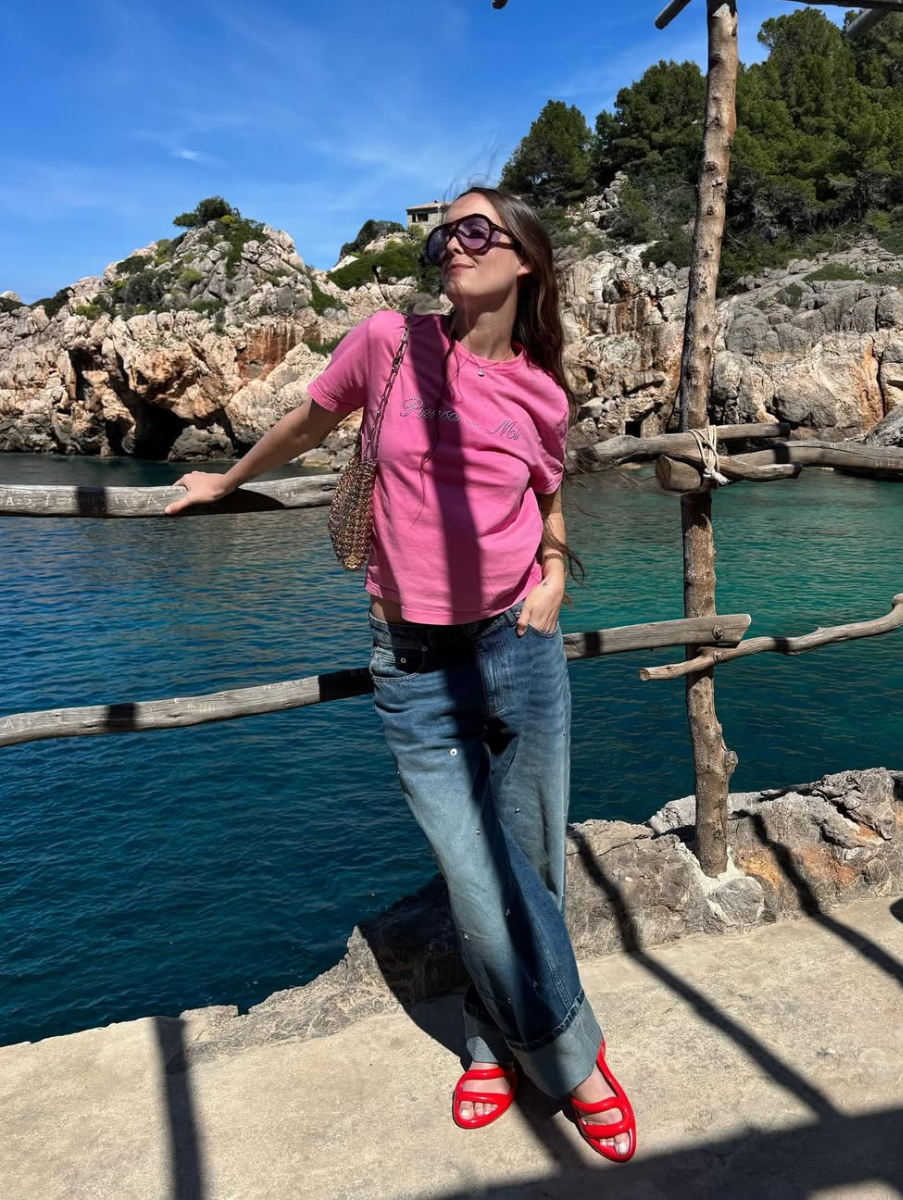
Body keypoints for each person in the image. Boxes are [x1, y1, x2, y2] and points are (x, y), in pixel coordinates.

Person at [165, 187, 636, 1163]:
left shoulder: (542, 392)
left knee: (530, 862)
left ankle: (482, 1040)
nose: (450, 245)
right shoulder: (389, 341)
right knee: (476, 874)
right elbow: (307, 421)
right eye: (443, 231)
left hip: (519, 643)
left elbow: (547, 495)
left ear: (525, 263)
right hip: (416, 662)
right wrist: (227, 479)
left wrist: (552, 576)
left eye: (476, 230)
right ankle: (574, 1062)